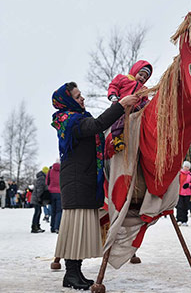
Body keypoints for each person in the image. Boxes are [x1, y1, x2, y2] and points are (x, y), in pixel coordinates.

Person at [51, 82, 139, 290]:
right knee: (75, 230)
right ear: (67, 100)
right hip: (76, 183)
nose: (82, 99)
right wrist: (120, 105)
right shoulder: (70, 121)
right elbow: (97, 125)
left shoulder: (79, 118)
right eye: (77, 96)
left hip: (83, 181)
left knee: (79, 231)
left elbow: (98, 127)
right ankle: (71, 274)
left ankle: (75, 273)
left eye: (81, 95)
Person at [107, 60, 152, 152]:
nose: (142, 78)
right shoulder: (123, 79)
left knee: (147, 105)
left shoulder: (144, 89)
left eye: (145, 77)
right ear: (135, 71)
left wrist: (148, 104)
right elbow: (114, 86)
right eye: (141, 74)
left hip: (135, 108)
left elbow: (145, 100)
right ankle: (117, 137)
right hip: (121, 104)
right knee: (120, 117)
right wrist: (112, 95)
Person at [177, 161, 191, 226]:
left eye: (187, 167)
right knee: (179, 207)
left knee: (185, 207)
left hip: (187, 193)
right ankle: (179, 219)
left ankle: (184, 220)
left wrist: (189, 185)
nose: (186, 168)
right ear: (183, 166)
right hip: (179, 193)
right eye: (185, 166)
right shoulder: (179, 173)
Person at [47, 160, 62, 233]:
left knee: (53, 210)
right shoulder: (62, 171)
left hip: (51, 192)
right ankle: (57, 226)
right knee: (59, 210)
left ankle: (52, 227)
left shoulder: (50, 171)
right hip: (59, 192)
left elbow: (47, 182)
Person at [32, 168, 48, 233]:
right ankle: (34, 227)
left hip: (37, 198)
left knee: (38, 212)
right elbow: (39, 189)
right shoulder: (42, 178)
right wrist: (39, 198)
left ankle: (37, 226)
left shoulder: (42, 178)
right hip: (37, 198)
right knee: (37, 212)